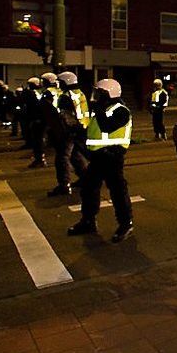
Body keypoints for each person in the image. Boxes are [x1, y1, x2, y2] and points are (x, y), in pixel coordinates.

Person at [67, 79, 134, 243]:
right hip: (97, 157)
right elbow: (94, 131)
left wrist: (97, 108)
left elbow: (107, 127)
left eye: (99, 93)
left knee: (118, 192)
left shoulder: (121, 110)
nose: (95, 96)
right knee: (88, 188)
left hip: (112, 157)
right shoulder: (102, 109)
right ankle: (88, 221)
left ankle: (125, 224)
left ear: (108, 93)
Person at [47, 72, 89, 197]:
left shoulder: (66, 96)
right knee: (75, 155)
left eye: (60, 82)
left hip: (71, 130)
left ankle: (64, 185)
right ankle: (85, 178)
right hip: (82, 128)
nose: (59, 85)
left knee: (62, 157)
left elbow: (67, 117)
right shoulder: (79, 93)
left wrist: (63, 130)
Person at [25, 76, 47, 167]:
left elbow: (34, 107)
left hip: (37, 120)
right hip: (39, 119)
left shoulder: (33, 93)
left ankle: (40, 159)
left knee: (38, 140)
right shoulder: (41, 92)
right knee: (38, 140)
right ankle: (39, 158)